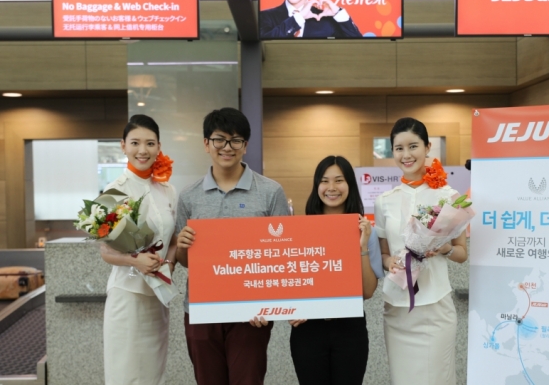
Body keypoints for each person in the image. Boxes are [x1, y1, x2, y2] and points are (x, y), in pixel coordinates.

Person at [175, 107, 290, 385]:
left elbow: (282, 256)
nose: (227, 147)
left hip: (251, 314)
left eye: (236, 140)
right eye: (219, 139)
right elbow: (185, 261)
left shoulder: (270, 192)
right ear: (206, 144)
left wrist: (269, 306)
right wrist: (182, 246)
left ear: (245, 146)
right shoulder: (189, 196)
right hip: (202, 310)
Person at [374, 117, 468, 385]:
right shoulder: (384, 201)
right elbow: (382, 255)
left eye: (413, 146)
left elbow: (462, 253)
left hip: (435, 307)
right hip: (397, 308)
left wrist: (445, 248)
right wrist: (388, 260)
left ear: (428, 147)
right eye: (399, 148)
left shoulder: (448, 197)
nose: (406, 155)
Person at [288, 156, 384, 385]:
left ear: (349, 185)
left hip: (350, 328)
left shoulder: (365, 230)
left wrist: (362, 245)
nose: (331, 188)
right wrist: (291, 309)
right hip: (308, 329)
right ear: (316, 186)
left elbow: (368, 292)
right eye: (324, 181)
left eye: (339, 180)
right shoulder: (300, 229)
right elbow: (289, 278)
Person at [100, 114, 178, 385]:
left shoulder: (167, 190)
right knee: (126, 374)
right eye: (135, 143)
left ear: (159, 146)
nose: (142, 150)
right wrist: (136, 261)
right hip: (127, 296)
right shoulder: (114, 191)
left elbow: (175, 240)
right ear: (123, 146)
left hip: (157, 296)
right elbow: (105, 252)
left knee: (154, 375)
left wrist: (167, 264)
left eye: (149, 143)